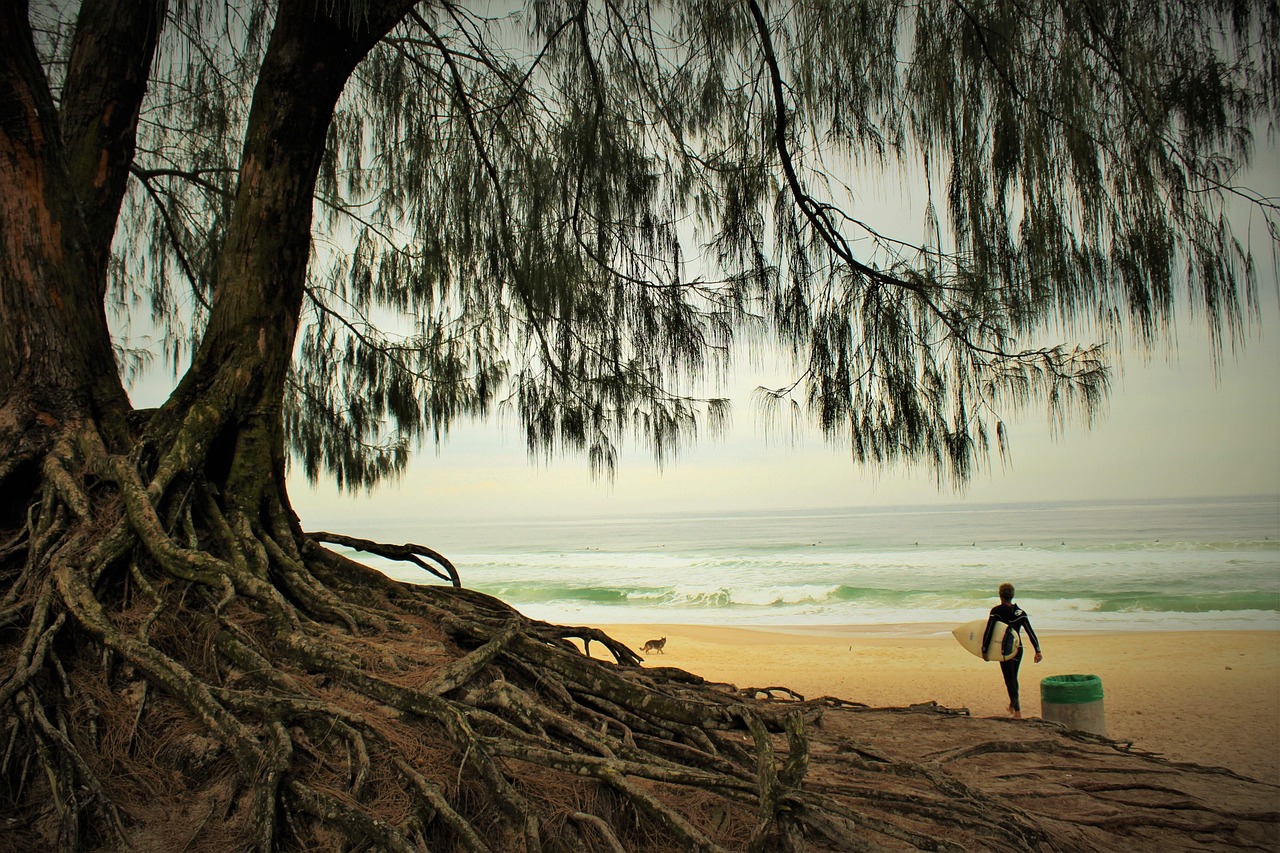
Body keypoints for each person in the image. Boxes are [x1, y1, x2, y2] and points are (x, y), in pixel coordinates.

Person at [982, 583, 1043, 718]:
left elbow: (989, 631)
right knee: (1013, 677)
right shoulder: (1020, 612)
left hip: (1004, 649)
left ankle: (1017, 711)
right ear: (1012, 595)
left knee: (1009, 679)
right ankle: (1013, 704)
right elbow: (1030, 631)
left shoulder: (996, 611)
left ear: (1000, 595)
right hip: (1018, 648)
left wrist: (985, 650)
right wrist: (1037, 650)